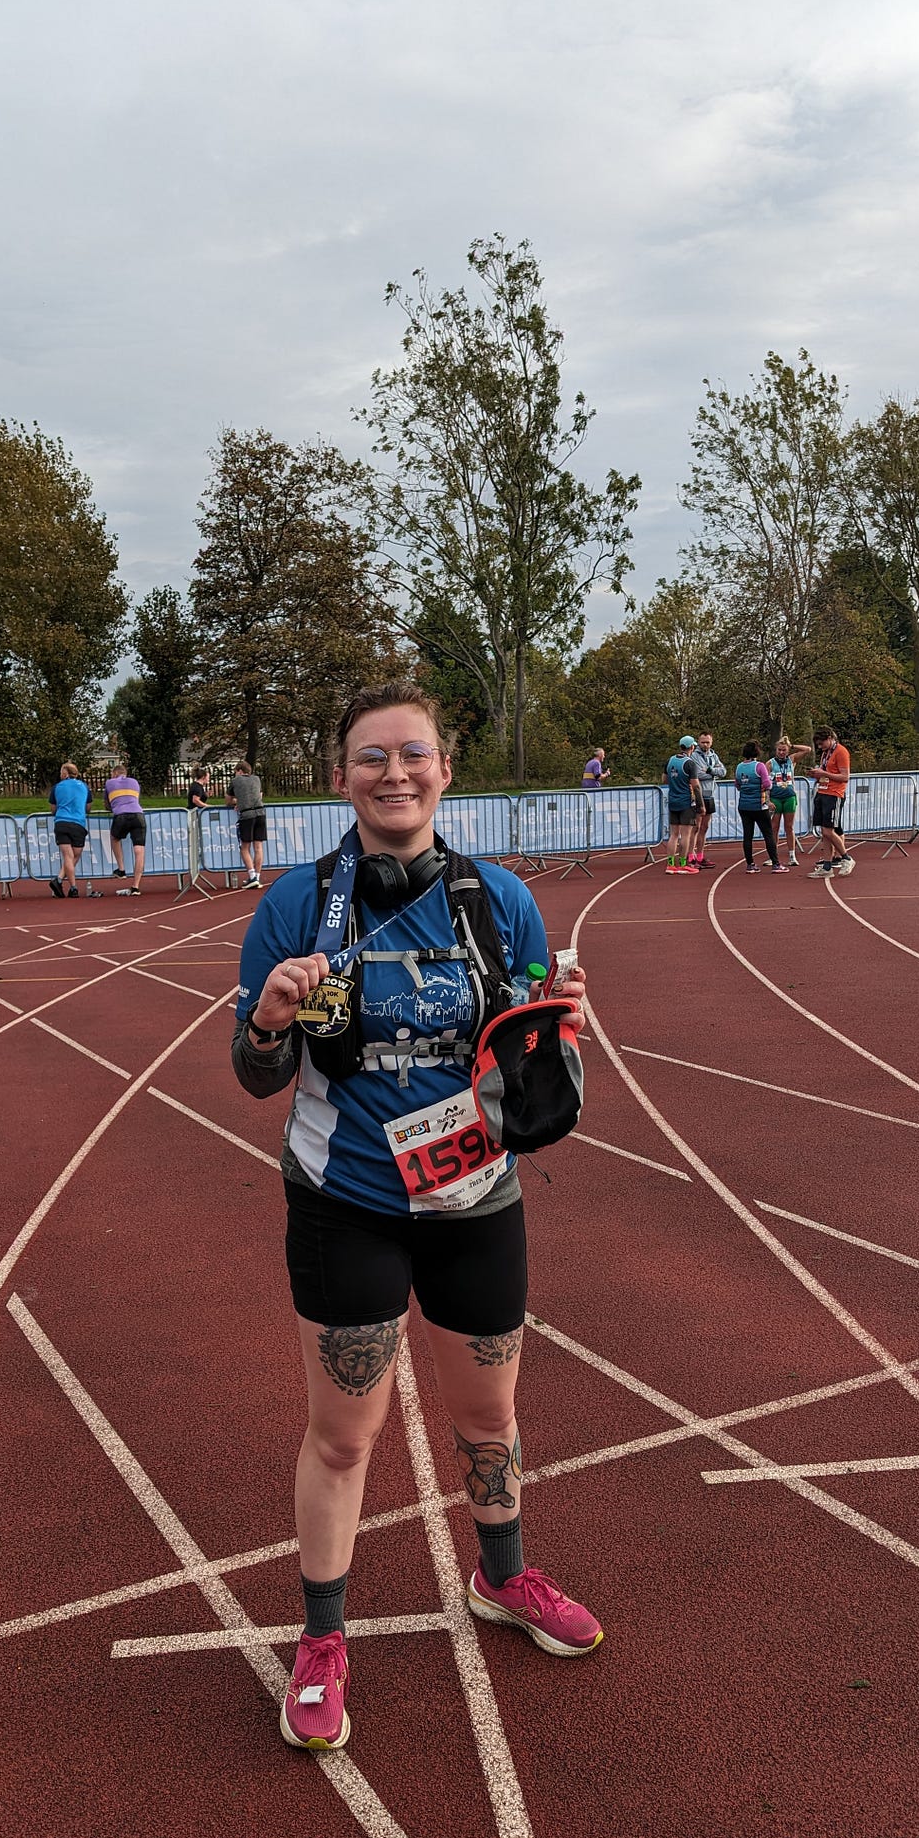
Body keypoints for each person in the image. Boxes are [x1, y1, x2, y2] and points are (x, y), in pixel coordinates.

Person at [232, 678, 602, 1754]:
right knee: (344, 1436)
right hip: (345, 1204)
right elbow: (257, 1076)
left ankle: (504, 1577)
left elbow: (535, 1052)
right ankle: (321, 1637)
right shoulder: (294, 907)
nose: (394, 773)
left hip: (475, 1199)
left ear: (444, 771)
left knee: (487, 1419)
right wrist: (266, 1020)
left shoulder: (500, 902)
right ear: (339, 777)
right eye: (371, 758)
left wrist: (562, 1026)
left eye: (413, 754)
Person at [809, 729, 854, 877]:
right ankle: (827, 867)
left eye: (822, 743)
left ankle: (846, 858)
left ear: (829, 738)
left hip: (834, 795)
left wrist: (824, 774)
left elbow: (845, 777)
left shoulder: (841, 752)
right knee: (824, 833)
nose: (820, 747)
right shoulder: (826, 753)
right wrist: (816, 774)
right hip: (822, 792)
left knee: (829, 831)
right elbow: (825, 772)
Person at [733, 741, 782, 872]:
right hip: (759, 806)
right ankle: (776, 864)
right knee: (768, 834)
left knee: (747, 835)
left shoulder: (739, 767)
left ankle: (750, 864)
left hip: (744, 806)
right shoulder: (760, 766)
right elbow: (767, 784)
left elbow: (737, 785)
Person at [47, 762, 93, 898]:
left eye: (61, 771)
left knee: (68, 856)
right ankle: (70, 886)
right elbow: (88, 808)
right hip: (78, 823)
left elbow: (53, 809)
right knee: (75, 855)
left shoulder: (56, 787)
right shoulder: (84, 786)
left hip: (61, 822)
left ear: (66, 773)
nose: (60, 774)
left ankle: (62, 881)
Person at [768, 735, 812, 869]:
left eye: (784, 750)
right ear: (776, 750)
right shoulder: (769, 763)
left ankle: (792, 856)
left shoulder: (792, 759)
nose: (781, 752)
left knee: (789, 827)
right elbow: (765, 783)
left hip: (789, 797)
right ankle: (773, 856)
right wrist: (768, 800)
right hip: (775, 797)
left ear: (787, 751)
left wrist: (792, 745)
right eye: (779, 750)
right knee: (774, 828)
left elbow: (808, 749)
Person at [104, 762, 147, 894]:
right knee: (139, 851)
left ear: (115, 773)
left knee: (115, 838)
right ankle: (136, 886)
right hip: (138, 815)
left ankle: (121, 869)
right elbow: (135, 799)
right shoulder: (134, 782)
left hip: (121, 815)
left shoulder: (109, 783)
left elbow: (107, 804)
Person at [664, 735, 704, 874]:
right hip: (686, 801)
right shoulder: (689, 763)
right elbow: (696, 786)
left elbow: (664, 779)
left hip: (673, 800)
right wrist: (701, 805)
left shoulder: (670, 761)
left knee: (673, 834)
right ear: (691, 747)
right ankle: (682, 865)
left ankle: (670, 865)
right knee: (686, 834)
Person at [688, 730, 726, 871]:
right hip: (698, 795)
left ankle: (700, 855)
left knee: (704, 827)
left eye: (707, 742)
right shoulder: (694, 756)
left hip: (710, 795)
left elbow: (723, 771)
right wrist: (711, 773)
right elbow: (697, 775)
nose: (705, 744)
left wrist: (710, 771)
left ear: (711, 742)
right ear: (698, 742)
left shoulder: (713, 755)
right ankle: (690, 856)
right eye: (703, 742)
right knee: (695, 827)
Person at [228, 759, 268, 889]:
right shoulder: (256, 779)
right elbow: (259, 795)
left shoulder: (236, 781)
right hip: (260, 813)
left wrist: (237, 802)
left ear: (239, 771)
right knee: (258, 846)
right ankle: (257, 875)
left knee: (244, 847)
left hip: (246, 815)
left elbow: (228, 800)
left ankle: (252, 876)